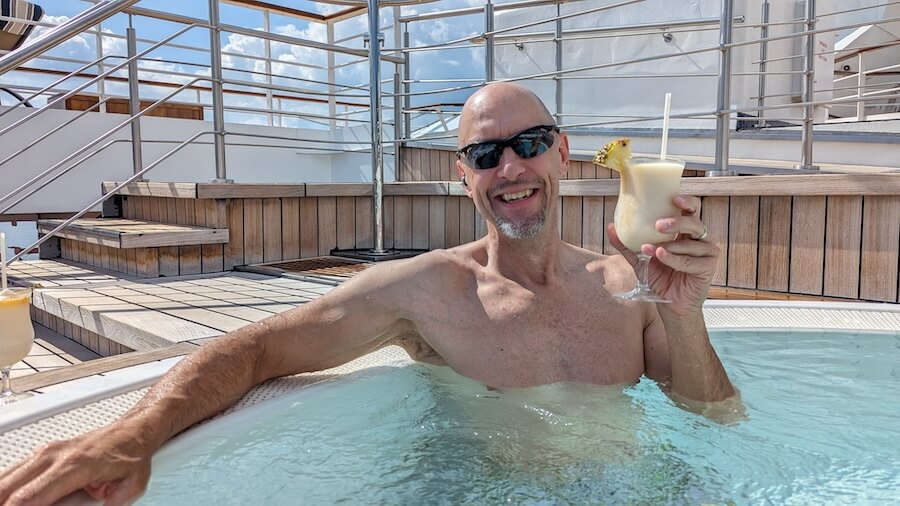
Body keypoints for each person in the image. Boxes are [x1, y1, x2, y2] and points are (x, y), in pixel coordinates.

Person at [0, 82, 734, 504]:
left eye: (530, 143)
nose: (510, 167)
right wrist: (135, 434)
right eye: (485, 154)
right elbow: (259, 347)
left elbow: (714, 414)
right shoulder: (427, 291)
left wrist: (686, 310)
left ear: (564, 151)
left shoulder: (625, 284)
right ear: (464, 177)